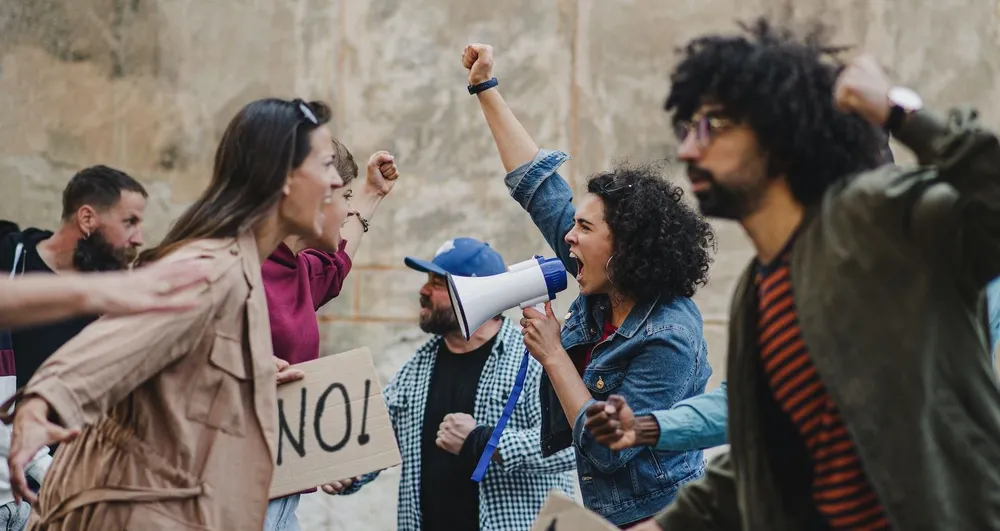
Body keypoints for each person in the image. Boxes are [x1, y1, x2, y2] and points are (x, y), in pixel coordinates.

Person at [637, 18, 1000, 531]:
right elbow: (766, 456)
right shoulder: (758, 291)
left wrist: (898, 110)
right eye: (688, 128)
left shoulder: (874, 218)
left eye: (714, 125)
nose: (688, 150)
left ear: (781, 136)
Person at [0, 97, 342, 530]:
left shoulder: (240, 269)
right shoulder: (212, 270)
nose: (335, 181)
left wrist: (246, 371)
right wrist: (40, 405)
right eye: (326, 165)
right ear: (284, 178)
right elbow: (109, 345)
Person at [462, 44, 717, 528]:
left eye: (583, 227)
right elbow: (536, 185)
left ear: (625, 247)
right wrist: (484, 87)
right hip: (608, 514)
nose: (568, 236)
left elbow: (608, 449)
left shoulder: (670, 336)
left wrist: (553, 355)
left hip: (661, 518)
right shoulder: (603, 280)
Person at [340, 237, 576, 531]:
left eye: (438, 283)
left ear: (475, 293)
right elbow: (378, 439)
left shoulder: (533, 360)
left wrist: (484, 442)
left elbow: (571, 448)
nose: (423, 291)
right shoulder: (416, 368)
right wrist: (349, 473)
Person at [262, 140, 400, 530]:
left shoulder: (297, 270)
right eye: (345, 197)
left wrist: (372, 194)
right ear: (317, 198)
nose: (348, 211)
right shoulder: (239, 269)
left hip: (282, 497)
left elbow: (335, 265)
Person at [0, 166, 148, 389]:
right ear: (87, 218)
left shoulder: (109, 301)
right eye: (130, 222)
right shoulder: (9, 256)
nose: (139, 239)